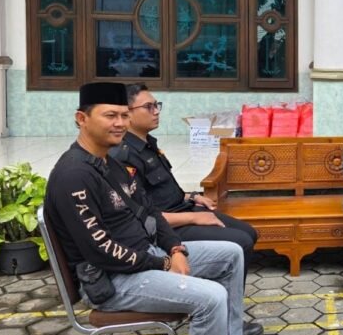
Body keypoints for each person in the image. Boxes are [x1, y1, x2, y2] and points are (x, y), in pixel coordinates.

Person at [44, 83, 268, 335]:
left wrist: (175, 249)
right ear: (81, 119)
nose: (120, 123)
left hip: (146, 258)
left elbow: (150, 212)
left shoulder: (109, 163)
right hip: (114, 280)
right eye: (110, 115)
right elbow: (101, 250)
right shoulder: (73, 175)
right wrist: (164, 263)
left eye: (123, 115)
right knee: (211, 298)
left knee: (231, 254)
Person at [110, 85, 260, 286]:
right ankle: (214, 295)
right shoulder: (123, 156)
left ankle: (223, 292)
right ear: (126, 113)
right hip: (167, 227)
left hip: (183, 209)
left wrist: (192, 196)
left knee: (249, 232)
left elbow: (161, 190)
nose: (156, 111)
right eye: (148, 107)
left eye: (156, 105)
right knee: (241, 241)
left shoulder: (148, 144)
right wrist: (195, 217)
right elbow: (139, 216)